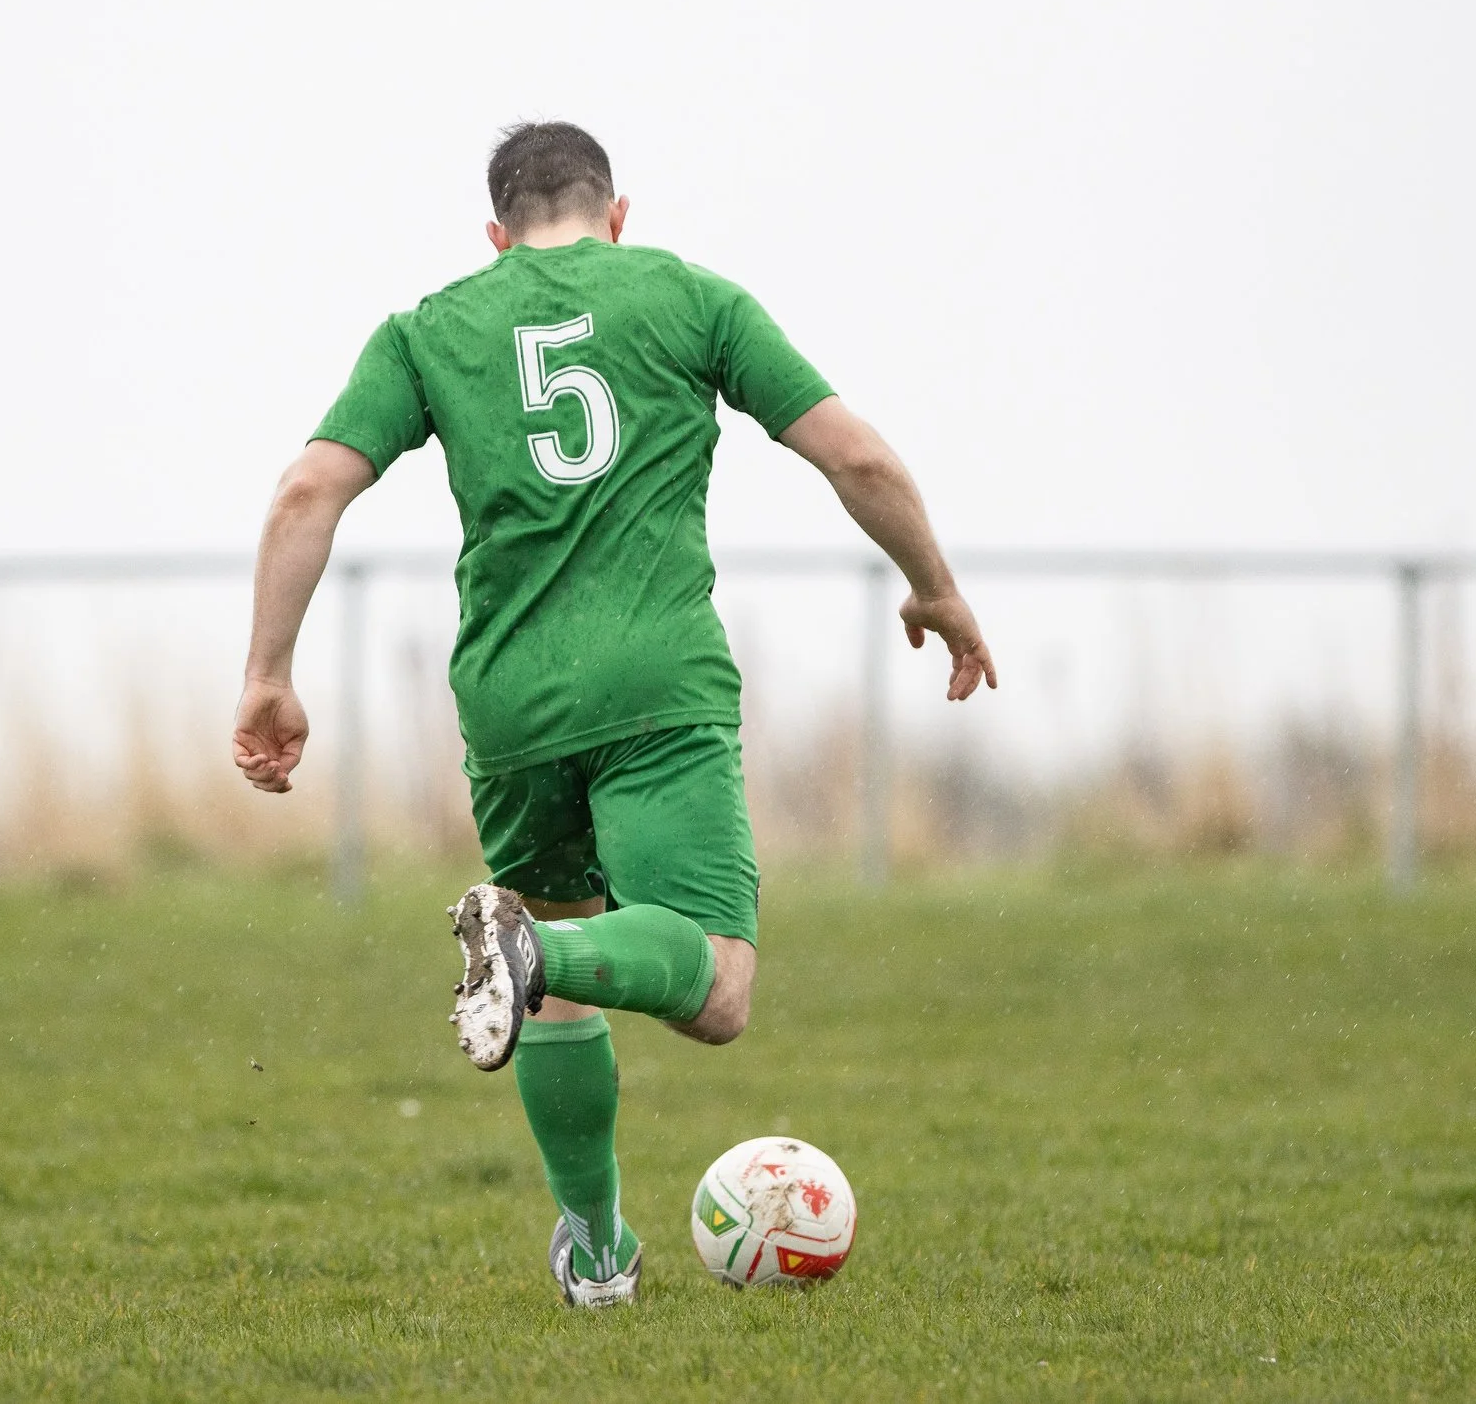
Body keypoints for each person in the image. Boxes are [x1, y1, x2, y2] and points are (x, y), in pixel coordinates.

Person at [232, 121, 995, 1306]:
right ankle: (538, 955)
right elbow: (856, 457)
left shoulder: (431, 328)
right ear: (617, 213)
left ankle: (595, 1251)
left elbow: (307, 486)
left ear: (496, 234)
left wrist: (267, 671)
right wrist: (936, 588)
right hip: (656, 687)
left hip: (508, 701)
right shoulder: (687, 298)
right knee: (717, 986)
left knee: (563, 987)